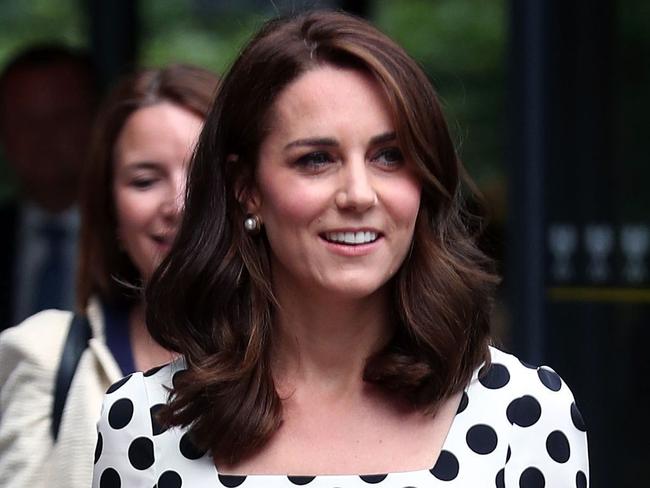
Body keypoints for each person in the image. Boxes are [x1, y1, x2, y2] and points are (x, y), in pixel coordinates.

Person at [93, 11, 589, 488]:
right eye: (316, 159)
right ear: (247, 188)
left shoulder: (525, 413)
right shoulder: (144, 420)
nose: (358, 193)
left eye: (389, 156)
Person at [0, 64, 219, 488]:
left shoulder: (317, 356)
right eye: (144, 180)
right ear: (112, 214)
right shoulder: (45, 359)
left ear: (248, 191)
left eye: (202, 172)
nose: (177, 203)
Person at [0, 44, 100, 330]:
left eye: (63, 117)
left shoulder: (134, 237)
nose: (43, 135)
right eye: (24, 119)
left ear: (97, 121)